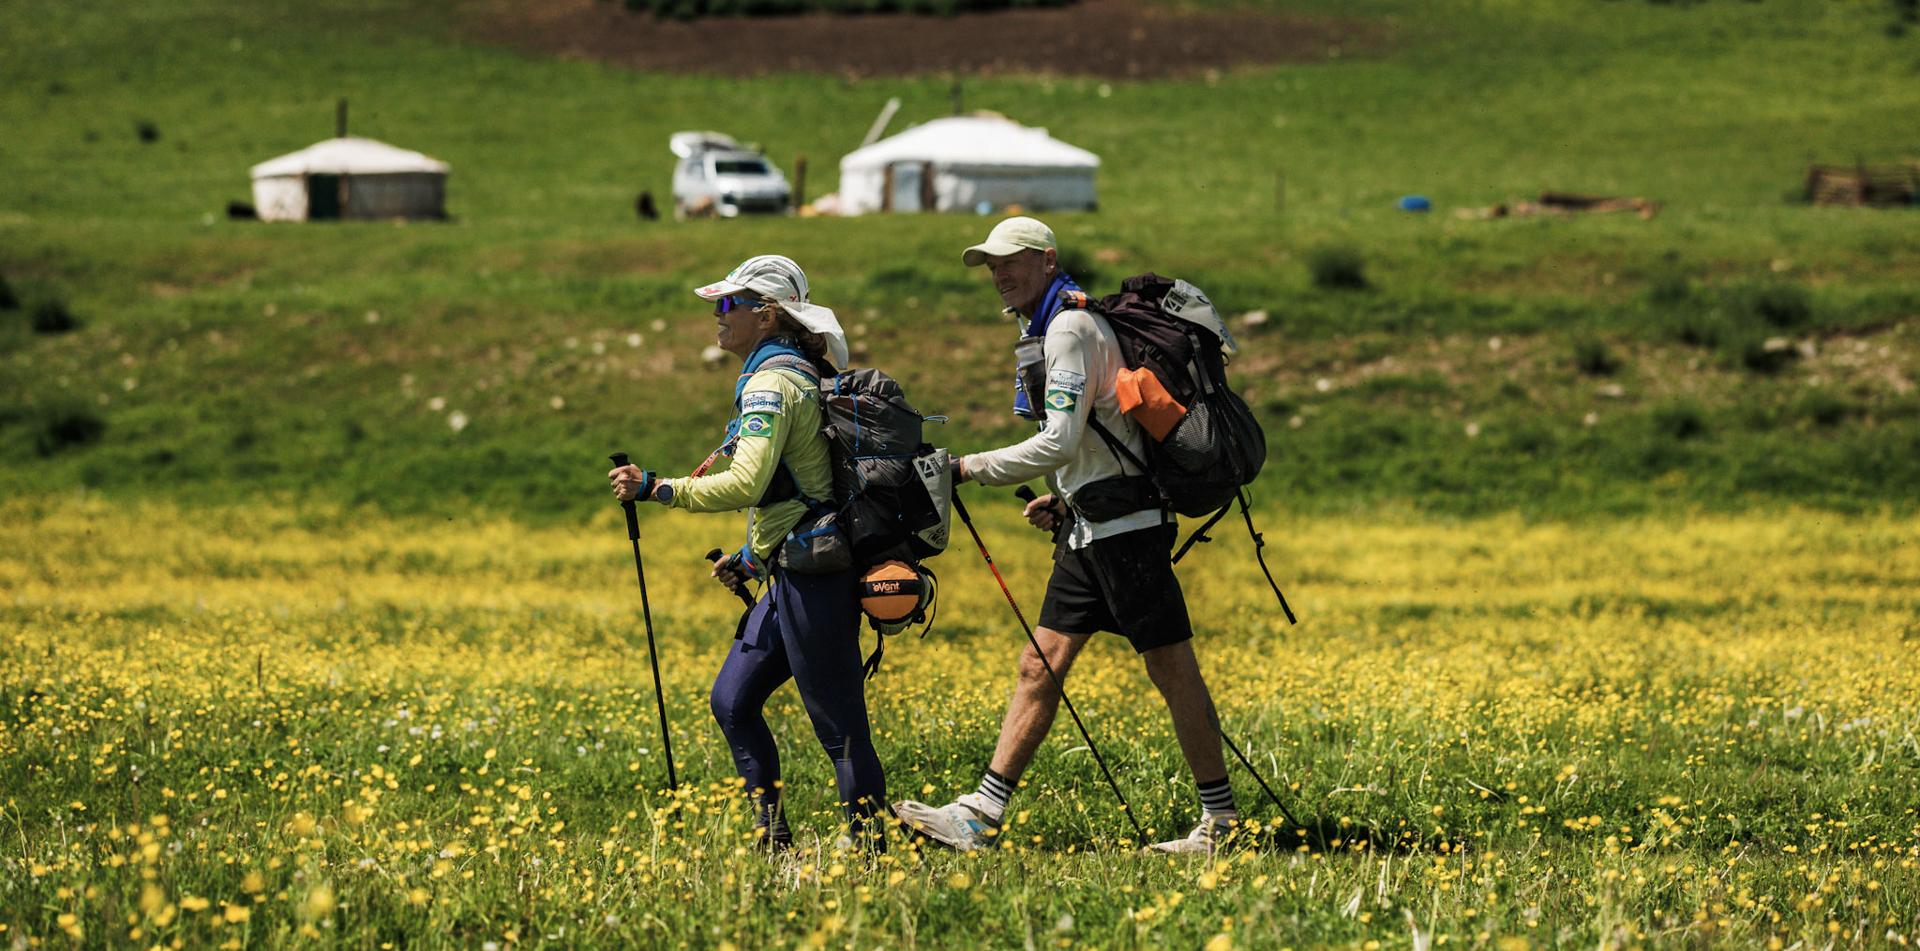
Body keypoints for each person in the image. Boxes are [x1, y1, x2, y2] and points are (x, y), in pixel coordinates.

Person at [891, 218, 1240, 854]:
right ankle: (979, 817)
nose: (999, 273)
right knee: (1039, 663)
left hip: (1125, 532)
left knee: (1171, 667)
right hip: (1092, 526)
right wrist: (1066, 493)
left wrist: (967, 468)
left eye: (1012, 261)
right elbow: (1095, 435)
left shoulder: (1070, 328)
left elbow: (1059, 438)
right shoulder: (1052, 328)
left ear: (1048, 261)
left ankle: (1220, 824)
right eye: (991, 265)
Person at [608, 254, 886, 852]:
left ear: (766, 316)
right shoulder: (778, 375)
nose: (717, 314)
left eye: (729, 304)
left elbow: (747, 485)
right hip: (787, 566)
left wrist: (659, 487)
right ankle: (773, 841)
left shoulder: (773, 383)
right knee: (732, 701)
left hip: (816, 576)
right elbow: (789, 492)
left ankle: (870, 852)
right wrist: (753, 559)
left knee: (838, 727)